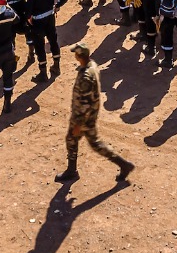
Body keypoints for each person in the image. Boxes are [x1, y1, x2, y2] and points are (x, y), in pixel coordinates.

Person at [54, 45, 134, 182]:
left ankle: (123, 165)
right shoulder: (92, 65)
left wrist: (78, 124)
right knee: (72, 140)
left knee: (93, 143)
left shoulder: (85, 77)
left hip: (84, 116)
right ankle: (72, 170)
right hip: (90, 112)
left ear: (79, 56)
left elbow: (84, 103)